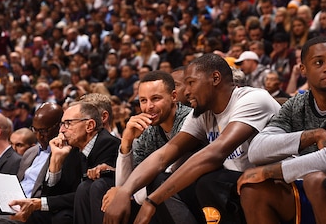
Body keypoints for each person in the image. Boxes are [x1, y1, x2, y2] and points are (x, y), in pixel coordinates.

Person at [103, 53, 280, 224]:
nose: (185, 92)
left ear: (215, 78)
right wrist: (124, 192)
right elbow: (163, 156)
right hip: (233, 187)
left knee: (208, 181)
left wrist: (152, 201)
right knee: (161, 181)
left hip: (274, 183)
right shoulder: (202, 114)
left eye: (191, 83)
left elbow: (214, 154)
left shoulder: (253, 98)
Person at [237, 36, 326, 224]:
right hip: (308, 185)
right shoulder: (296, 103)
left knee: (315, 180)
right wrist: (312, 135)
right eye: (319, 62)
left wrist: (268, 172)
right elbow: (257, 150)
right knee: (253, 189)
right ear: (303, 70)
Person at [101, 70, 198, 224]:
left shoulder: (190, 119)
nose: (149, 107)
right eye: (143, 100)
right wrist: (126, 141)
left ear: (173, 96)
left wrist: (125, 192)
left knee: (157, 182)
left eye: (156, 99)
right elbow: (124, 181)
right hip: (160, 196)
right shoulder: (148, 128)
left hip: (195, 193)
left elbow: (168, 176)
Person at [0, 103, 81, 224]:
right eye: (35, 130)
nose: (38, 136)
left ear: (59, 126)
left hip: (35, 211)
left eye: (44, 131)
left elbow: (55, 194)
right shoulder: (30, 152)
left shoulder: (68, 154)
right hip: (11, 206)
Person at [52, 102, 120, 224]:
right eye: (62, 124)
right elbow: (58, 192)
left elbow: (89, 191)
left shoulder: (107, 144)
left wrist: (41, 203)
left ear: (90, 125)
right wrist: (55, 160)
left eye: (68, 123)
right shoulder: (73, 148)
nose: (61, 130)